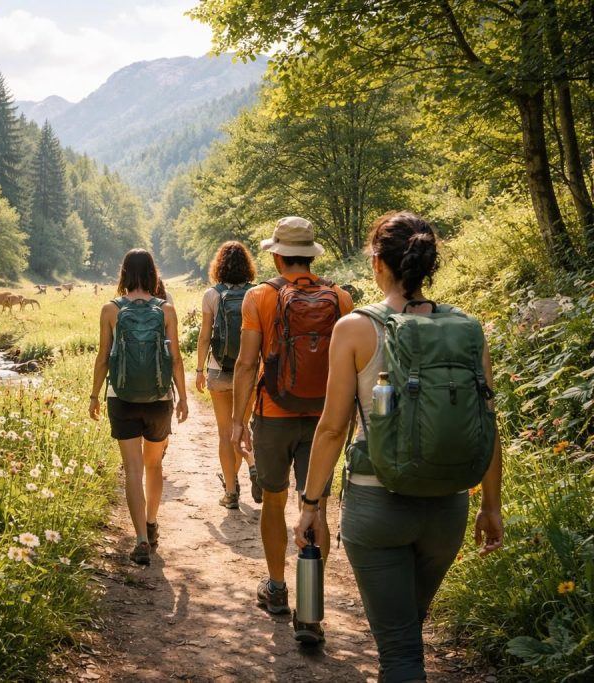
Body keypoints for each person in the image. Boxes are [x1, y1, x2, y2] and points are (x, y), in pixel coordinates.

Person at [294, 211, 503, 679]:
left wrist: (311, 506)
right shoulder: (467, 328)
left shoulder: (354, 328)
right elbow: (486, 423)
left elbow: (331, 428)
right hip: (447, 509)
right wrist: (492, 505)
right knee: (408, 627)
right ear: (428, 264)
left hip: (377, 506)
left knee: (401, 651)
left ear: (377, 263)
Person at [231, 216, 354, 642]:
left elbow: (247, 364)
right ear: (311, 254)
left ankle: (278, 589)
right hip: (324, 421)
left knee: (274, 501)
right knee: (314, 506)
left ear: (278, 255)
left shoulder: (260, 297)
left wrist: (237, 420)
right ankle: (312, 613)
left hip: (273, 413)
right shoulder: (341, 298)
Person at [90, 249, 189, 566]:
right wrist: (183, 397)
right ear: (152, 275)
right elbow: (175, 359)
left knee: (132, 469)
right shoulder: (167, 310)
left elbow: (103, 357)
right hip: (159, 400)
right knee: (154, 466)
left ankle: (141, 540)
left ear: (124, 274)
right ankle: (151, 522)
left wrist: (94, 395)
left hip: (122, 397)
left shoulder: (110, 310)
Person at [194, 241, 258, 509]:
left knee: (224, 433)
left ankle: (231, 492)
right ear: (248, 266)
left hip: (219, 371)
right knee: (242, 427)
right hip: (250, 372)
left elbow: (205, 336)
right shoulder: (258, 293)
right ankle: (253, 466)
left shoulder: (211, 294)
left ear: (218, 265)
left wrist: (199, 369)